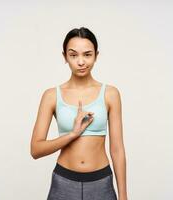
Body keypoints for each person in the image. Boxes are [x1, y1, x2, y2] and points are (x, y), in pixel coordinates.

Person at [30, 27, 128, 200]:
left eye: (87, 54)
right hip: (64, 181)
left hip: (101, 182)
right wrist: (73, 134)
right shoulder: (51, 95)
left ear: (96, 55)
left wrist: (123, 196)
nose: (81, 62)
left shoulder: (110, 94)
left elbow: (117, 149)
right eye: (74, 55)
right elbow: (36, 150)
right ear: (65, 57)